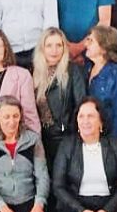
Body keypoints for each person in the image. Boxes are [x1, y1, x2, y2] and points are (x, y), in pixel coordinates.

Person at [32, 27, 88, 172]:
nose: (54, 50)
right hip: (40, 137)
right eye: (49, 45)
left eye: (58, 45)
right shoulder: (34, 72)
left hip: (64, 136)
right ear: (42, 48)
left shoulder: (73, 70)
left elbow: (81, 104)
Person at [82, 26, 117, 144]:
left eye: (91, 41)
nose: (85, 44)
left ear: (104, 47)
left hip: (109, 140)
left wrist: (112, 146)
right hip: (89, 137)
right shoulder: (87, 67)